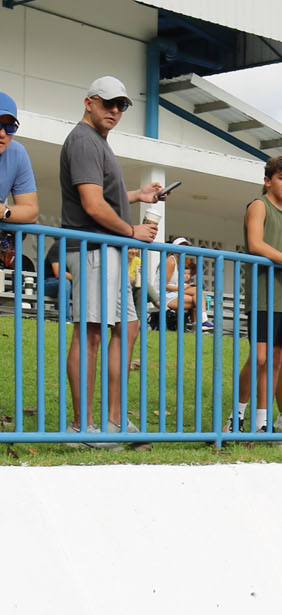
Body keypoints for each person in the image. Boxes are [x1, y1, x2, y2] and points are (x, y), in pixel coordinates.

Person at [59, 76, 167, 436]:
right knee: (90, 334)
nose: (116, 111)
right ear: (89, 102)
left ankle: (114, 420)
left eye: (121, 105)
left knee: (130, 327)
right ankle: (81, 426)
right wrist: (131, 231)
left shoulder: (98, 143)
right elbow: (91, 204)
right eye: (109, 103)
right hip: (93, 249)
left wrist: (137, 195)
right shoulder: (84, 141)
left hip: (110, 251)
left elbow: (102, 194)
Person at [232, 155, 282, 433]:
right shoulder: (259, 205)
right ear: (268, 181)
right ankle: (237, 415)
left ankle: (262, 420)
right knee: (259, 357)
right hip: (262, 295)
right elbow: (255, 244)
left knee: (278, 359)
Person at [0, 91, 38, 225]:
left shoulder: (17, 152)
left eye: (9, 127)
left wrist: (5, 212)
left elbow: (31, 212)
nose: (3, 133)